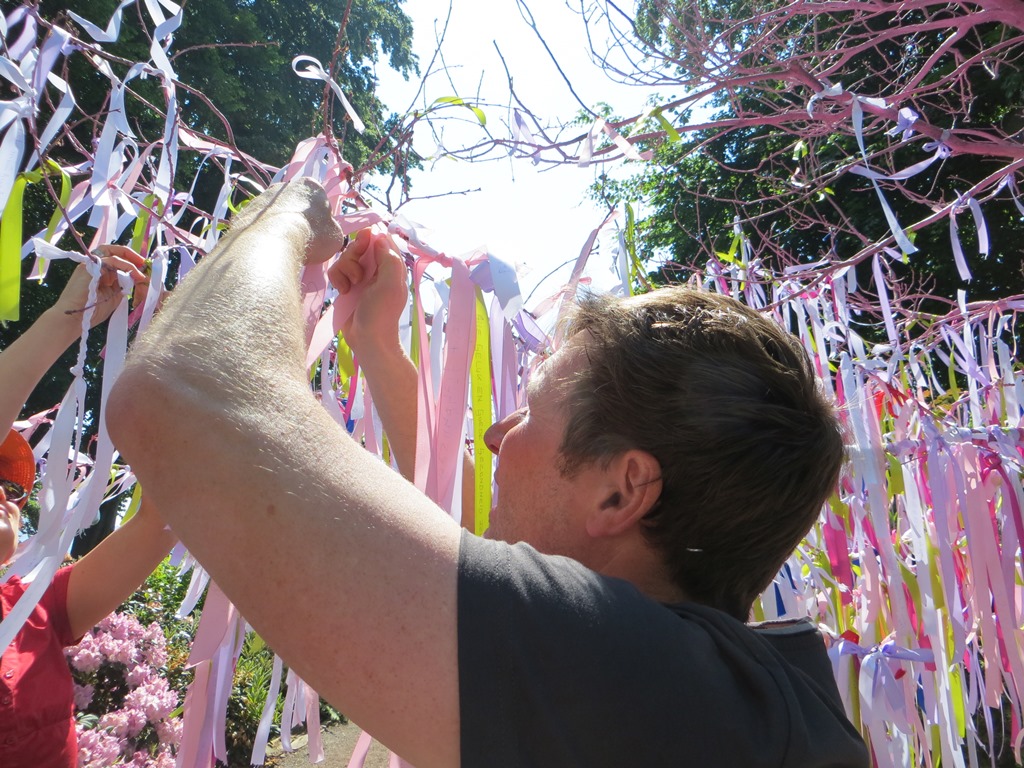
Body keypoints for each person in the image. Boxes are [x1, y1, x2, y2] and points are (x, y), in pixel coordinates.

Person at [108, 180, 869, 767]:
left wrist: (283, 219)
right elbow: (455, 537)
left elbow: (182, 392)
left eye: (532, 409)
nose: (497, 435)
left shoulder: (625, 674)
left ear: (621, 490)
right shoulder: (728, 701)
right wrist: (377, 342)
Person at [0, 248, 177, 768]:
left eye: (8, 485)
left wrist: (174, 356)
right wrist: (66, 318)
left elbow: (162, 520)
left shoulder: (40, 607)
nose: (5, 495)